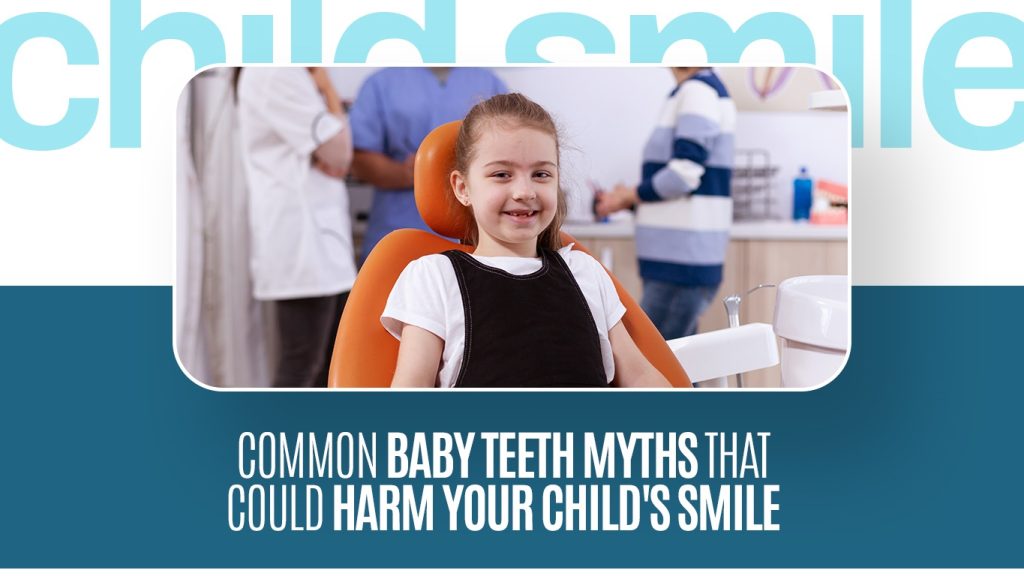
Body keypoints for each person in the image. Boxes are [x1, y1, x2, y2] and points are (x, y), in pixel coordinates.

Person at [381, 93, 671, 389]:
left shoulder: (584, 271)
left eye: (541, 174)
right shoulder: (434, 277)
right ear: (463, 187)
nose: (524, 191)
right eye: (502, 174)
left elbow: (640, 377)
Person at [237, 67, 357, 388]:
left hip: (321, 243)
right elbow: (341, 152)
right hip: (301, 246)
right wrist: (327, 87)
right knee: (303, 366)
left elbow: (335, 156)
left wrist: (330, 152)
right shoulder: (273, 72)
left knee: (328, 367)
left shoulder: (291, 74)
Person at [595, 67, 736, 340]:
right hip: (677, 260)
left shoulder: (698, 92)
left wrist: (630, 195)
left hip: (680, 262)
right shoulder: (693, 91)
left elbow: (683, 174)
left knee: (656, 363)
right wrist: (631, 201)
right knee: (679, 367)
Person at [347, 68, 507, 262]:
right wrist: (411, 174)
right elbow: (359, 156)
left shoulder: (487, 81)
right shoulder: (381, 83)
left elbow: (509, 151)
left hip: (476, 237)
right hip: (398, 232)